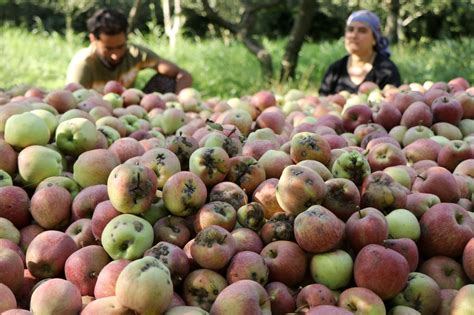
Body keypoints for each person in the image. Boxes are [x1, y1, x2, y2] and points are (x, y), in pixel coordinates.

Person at [66, 8, 192, 94]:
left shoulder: (135, 54)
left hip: (132, 112)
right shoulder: (84, 64)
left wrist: (176, 103)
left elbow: (183, 75)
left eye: (121, 47)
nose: (115, 55)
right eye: (108, 49)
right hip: (97, 117)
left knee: (167, 80)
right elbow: (72, 102)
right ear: (93, 39)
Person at [319, 10, 401, 96]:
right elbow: (322, 102)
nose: (354, 35)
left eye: (362, 31)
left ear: (374, 39)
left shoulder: (387, 71)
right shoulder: (335, 70)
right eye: (350, 30)